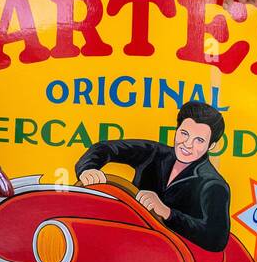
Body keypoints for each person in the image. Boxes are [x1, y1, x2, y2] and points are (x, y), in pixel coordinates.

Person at [74, 101, 231, 252]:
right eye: (184, 133)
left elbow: (217, 239)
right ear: (177, 130)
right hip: (125, 243)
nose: (188, 144)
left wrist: (167, 212)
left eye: (199, 140)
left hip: (172, 258)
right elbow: (105, 148)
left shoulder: (213, 184)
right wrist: (87, 169)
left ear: (211, 145)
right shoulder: (154, 153)